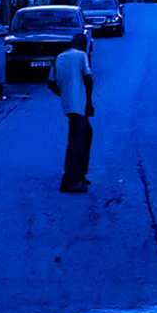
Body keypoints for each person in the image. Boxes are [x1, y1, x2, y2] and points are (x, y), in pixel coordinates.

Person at [48, 34, 94, 194]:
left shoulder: (60, 57)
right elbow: (88, 80)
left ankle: (80, 173)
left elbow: (51, 83)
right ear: (84, 45)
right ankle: (69, 180)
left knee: (86, 134)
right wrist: (89, 103)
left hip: (69, 105)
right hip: (80, 104)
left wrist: (64, 94)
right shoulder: (81, 56)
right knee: (77, 141)